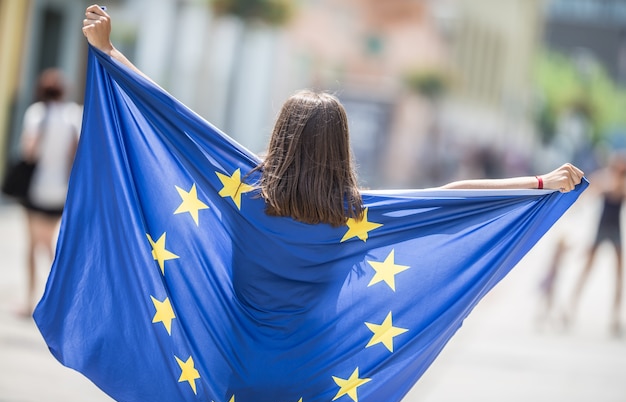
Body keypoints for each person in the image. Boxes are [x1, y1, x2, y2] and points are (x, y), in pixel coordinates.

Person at [81, 5, 583, 207]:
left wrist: (109, 53)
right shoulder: (352, 212)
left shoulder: (245, 193)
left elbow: (172, 118)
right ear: (341, 146)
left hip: (232, 377)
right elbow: (453, 192)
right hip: (312, 385)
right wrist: (541, 182)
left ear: (280, 135)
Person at [17, 68, 81, 316]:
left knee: (34, 245)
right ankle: (58, 297)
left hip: (36, 188)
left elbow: (29, 150)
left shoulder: (36, 113)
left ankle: (30, 300)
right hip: (61, 189)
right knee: (49, 243)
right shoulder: (73, 114)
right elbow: (74, 153)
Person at [566, 153, 626, 336]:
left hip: (614, 230)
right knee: (587, 269)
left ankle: (614, 317)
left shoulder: (619, 184)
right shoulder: (606, 179)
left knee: (617, 275)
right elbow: (592, 189)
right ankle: (571, 307)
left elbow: (616, 191)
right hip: (602, 228)